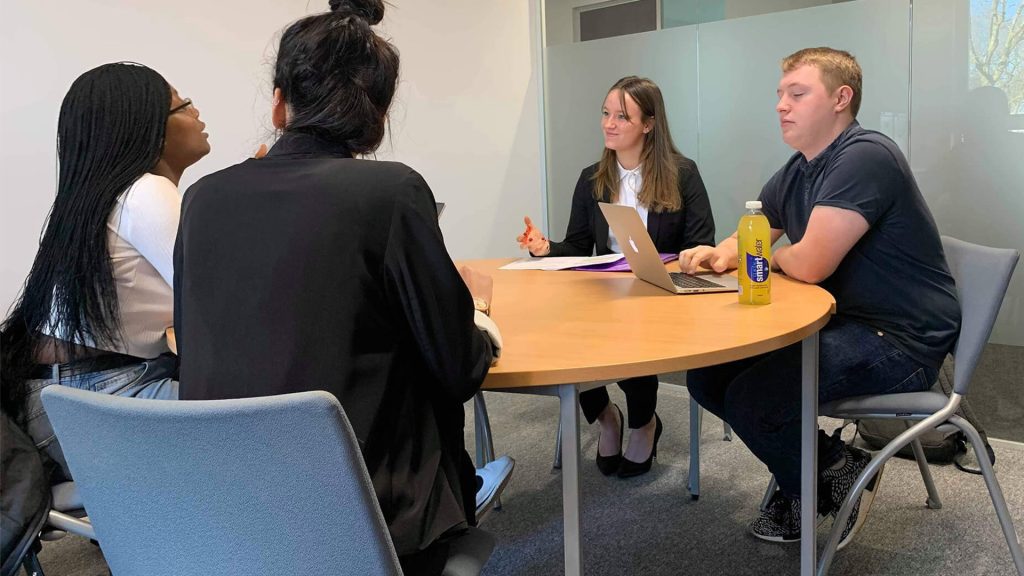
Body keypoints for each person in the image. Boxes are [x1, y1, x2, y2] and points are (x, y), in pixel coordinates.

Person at [172, 2, 512, 574]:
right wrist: (475, 322)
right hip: (368, 517)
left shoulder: (202, 199)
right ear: (376, 116)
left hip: (232, 515)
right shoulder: (392, 193)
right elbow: (457, 368)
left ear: (280, 101)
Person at [679, 47, 960, 548]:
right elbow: (755, 231)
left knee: (755, 398)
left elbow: (809, 264)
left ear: (840, 98)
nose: (781, 105)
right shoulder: (799, 168)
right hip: (843, 323)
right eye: (780, 95)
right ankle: (824, 472)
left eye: (797, 93)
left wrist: (760, 251)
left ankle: (826, 476)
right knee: (707, 377)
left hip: (902, 340)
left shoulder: (866, 155)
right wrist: (717, 254)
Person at [0, 62, 210, 483]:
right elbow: (218, 298)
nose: (197, 113)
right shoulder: (146, 192)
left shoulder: (107, 198)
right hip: (98, 396)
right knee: (276, 427)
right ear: (148, 127)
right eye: (183, 105)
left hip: (59, 396)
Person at [518, 76, 715, 478]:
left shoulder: (682, 174)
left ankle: (644, 424)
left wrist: (678, 263)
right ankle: (607, 417)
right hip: (606, 287)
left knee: (633, 333)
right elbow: (575, 248)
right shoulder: (592, 178)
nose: (609, 123)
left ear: (648, 124)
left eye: (622, 116)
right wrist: (544, 248)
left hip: (658, 293)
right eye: (606, 114)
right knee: (567, 338)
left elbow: (702, 244)